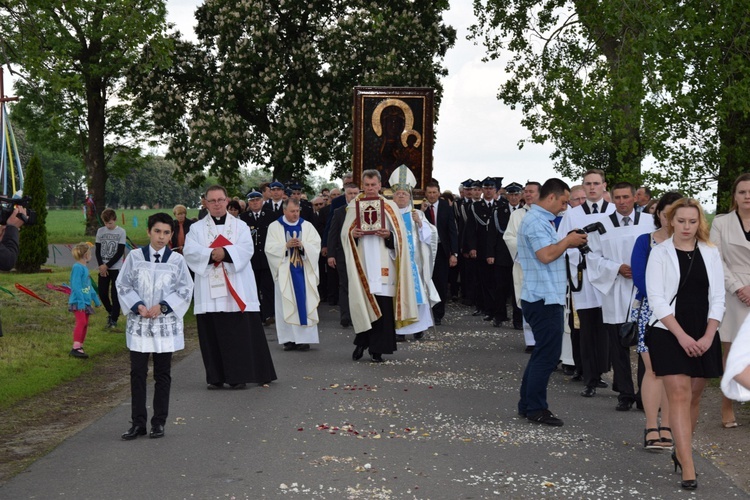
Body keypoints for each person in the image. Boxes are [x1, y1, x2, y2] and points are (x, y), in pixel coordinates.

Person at [646, 198, 725, 490]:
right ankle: (688, 463)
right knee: (678, 393)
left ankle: (681, 449)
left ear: (699, 222)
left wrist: (707, 335)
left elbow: (718, 297)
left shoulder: (711, 252)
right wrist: (681, 335)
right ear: (670, 221)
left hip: (703, 329)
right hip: (669, 330)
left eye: (693, 221)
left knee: (693, 394)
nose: (687, 227)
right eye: (681, 221)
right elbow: (655, 299)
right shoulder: (660, 253)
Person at [184, 185, 277, 389]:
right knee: (212, 334)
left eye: (220, 200)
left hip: (237, 286)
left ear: (227, 201)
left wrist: (225, 254)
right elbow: (189, 251)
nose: (217, 204)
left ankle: (239, 376)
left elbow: (247, 249)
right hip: (210, 287)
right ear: (205, 203)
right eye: (212, 200)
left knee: (239, 334)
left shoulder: (240, 226)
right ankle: (216, 377)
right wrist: (210, 255)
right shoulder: (196, 229)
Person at [116, 213, 194, 440]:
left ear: (171, 235)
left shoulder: (177, 261)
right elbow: (123, 284)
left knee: (162, 373)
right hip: (140, 323)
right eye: (157, 231)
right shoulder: (135, 257)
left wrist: (163, 306)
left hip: (164, 325)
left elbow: (185, 290)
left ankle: (158, 422)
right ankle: (138, 422)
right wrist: (138, 305)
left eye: (166, 233)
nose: (161, 237)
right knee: (137, 372)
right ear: (149, 231)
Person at [516, 178, 587, 426]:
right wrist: (568, 242)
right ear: (552, 197)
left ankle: (527, 404)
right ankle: (536, 408)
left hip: (543, 295)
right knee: (548, 356)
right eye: (564, 202)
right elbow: (545, 255)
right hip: (543, 297)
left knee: (542, 354)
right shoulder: (536, 221)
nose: (566, 207)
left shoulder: (540, 220)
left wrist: (565, 240)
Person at [587, 182, 655, 411]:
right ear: (612, 199)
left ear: (635, 198)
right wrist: (616, 268)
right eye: (617, 197)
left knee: (646, 345)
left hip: (644, 290)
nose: (622, 202)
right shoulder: (601, 226)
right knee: (618, 345)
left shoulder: (650, 222)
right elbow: (593, 258)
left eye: (626, 197)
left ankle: (645, 394)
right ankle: (625, 393)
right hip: (615, 288)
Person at [342, 169, 417, 362]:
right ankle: (362, 341)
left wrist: (389, 235)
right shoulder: (353, 206)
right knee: (365, 302)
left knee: (382, 304)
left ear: (380, 185)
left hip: (385, 262)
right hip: (364, 261)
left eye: (373, 185)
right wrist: (353, 234)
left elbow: (400, 237)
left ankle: (377, 349)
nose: (370, 189)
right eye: (366, 185)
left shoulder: (389, 206)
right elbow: (345, 235)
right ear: (362, 185)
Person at [631, 192, 682, 450]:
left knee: (673, 373)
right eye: (665, 214)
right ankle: (651, 426)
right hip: (651, 312)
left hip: (683, 313)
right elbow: (640, 278)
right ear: (658, 214)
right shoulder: (645, 242)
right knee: (653, 369)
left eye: (676, 215)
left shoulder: (693, 245)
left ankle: (668, 427)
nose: (670, 220)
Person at [557, 168, 614, 397]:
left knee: (608, 327)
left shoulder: (613, 212)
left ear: (604, 186)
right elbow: (562, 242)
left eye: (596, 183)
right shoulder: (573, 213)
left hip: (609, 275)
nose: (591, 187)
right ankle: (590, 378)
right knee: (587, 328)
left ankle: (605, 371)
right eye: (587, 183)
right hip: (583, 275)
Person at [709, 172, 750, 428]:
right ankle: (727, 404)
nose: (748, 196)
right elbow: (716, 260)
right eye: (743, 192)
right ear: (734, 196)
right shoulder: (721, 223)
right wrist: (739, 287)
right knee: (732, 353)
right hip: (734, 295)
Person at [389, 166, 439, 340]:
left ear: (409, 196)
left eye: (404, 193)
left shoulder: (416, 213)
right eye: (398, 193)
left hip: (413, 263)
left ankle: (418, 328)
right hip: (394, 262)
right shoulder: (388, 214)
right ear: (393, 197)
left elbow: (431, 236)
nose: (401, 196)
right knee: (397, 296)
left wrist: (420, 224)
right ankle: (399, 331)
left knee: (417, 295)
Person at [265, 198, 322, 352]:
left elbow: (316, 245)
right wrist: (285, 246)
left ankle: (304, 340)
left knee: (304, 303)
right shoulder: (275, 227)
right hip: (285, 272)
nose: (295, 214)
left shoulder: (307, 226)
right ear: (284, 211)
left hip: (303, 271)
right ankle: (289, 339)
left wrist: (303, 246)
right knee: (286, 305)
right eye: (292, 211)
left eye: (297, 211)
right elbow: (269, 249)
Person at [504, 181, 541, 349]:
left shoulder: (546, 214)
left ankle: (543, 337)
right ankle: (531, 340)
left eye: (531, 191)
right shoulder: (517, 215)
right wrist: (525, 249)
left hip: (544, 264)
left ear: (540, 193)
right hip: (524, 264)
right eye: (525, 191)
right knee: (527, 300)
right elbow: (508, 236)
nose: (528, 194)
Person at [423, 179, 458, 326]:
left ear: (439, 193)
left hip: (442, 251)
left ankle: (438, 314)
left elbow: (452, 231)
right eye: (429, 193)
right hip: (425, 250)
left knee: (441, 282)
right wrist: (422, 211)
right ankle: (425, 313)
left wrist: (454, 253)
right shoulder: (421, 208)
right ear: (426, 193)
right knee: (425, 280)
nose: (432, 195)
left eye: (434, 193)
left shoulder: (446, 207)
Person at [327, 183, 360, 328]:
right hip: (343, 254)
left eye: (355, 193)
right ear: (345, 195)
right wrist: (330, 254)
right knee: (345, 285)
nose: (353, 196)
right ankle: (346, 316)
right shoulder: (339, 212)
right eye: (350, 194)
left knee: (359, 286)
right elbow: (332, 234)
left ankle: (359, 315)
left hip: (361, 253)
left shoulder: (364, 209)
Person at [68, 243, 101, 358]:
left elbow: (89, 286)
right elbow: (76, 285)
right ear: (86, 255)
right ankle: (75, 348)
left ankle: (80, 346)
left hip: (86, 302)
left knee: (85, 323)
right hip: (78, 302)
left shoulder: (84, 268)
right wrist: (81, 302)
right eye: (90, 253)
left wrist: (95, 300)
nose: (91, 255)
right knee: (81, 322)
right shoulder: (77, 267)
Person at [95, 208, 126, 329]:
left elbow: (120, 252)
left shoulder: (121, 232)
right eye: (106, 223)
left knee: (115, 294)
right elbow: (97, 250)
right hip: (103, 268)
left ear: (115, 220)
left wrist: (108, 265)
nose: (108, 225)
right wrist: (102, 266)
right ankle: (111, 311)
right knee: (102, 293)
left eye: (110, 223)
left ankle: (114, 319)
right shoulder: (100, 231)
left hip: (116, 268)